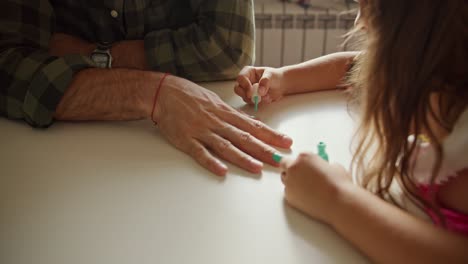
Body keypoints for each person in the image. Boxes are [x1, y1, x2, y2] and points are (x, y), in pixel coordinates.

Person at [235, 0, 468, 262]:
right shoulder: (441, 79)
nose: (358, 23)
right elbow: (353, 66)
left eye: (372, 34)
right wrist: (284, 78)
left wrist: (335, 198)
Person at [0, 0, 293, 176]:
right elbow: (9, 66)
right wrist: (152, 91)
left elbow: (227, 47)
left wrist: (92, 55)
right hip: (51, 163)